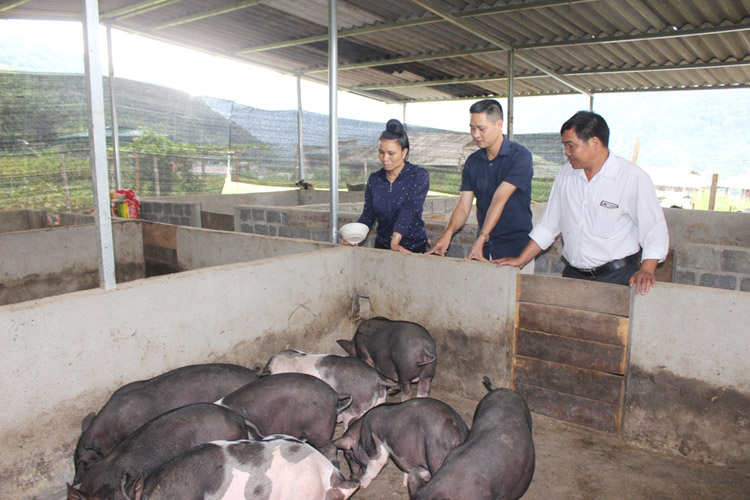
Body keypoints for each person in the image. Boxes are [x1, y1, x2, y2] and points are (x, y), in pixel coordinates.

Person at [494, 111, 669, 294]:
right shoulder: (566, 174)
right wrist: (521, 259)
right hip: (573, 275)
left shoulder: (631, 178)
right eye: (565, 146)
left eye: (571, 146)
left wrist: (646, 270)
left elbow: (654, 229)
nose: (567, 152)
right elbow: (549, 225)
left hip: (617, 278)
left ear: (594, 142)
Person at [427, 99, 534, 269]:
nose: (476, 134)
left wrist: (482, 237)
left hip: (516, 250)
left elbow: (499, 199)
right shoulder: (473, 162)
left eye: (481, 128)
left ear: (499, 125)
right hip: (485, 248)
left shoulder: (520, 156)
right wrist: (448, 233)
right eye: (472, 128)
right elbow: (464, 206)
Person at [344, 118, 430, 253]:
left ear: (404, 152)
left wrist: (395, 240)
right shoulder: (375, 179)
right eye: (381, 152)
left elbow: (410, 209)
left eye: (391, 153)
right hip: (383, 245)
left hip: (411, 246)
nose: (385, 158)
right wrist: (354, 235)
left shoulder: (418, 176)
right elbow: (368, 214)